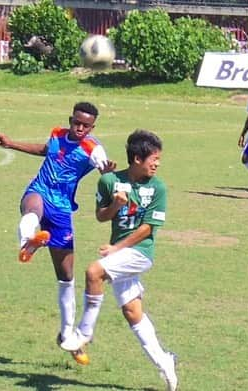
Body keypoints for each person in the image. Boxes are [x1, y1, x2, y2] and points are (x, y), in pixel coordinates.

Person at [0, 102, 115, 366]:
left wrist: (106, 173)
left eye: (86, 125)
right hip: (40, 190)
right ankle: (28, 240)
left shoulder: (93, 149)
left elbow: (104, 169)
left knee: (66, 278)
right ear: (71, 119)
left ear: (93, 127)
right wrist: (12, 143)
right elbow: (44, 150)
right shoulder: (58, 134)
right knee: (31, 208)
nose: (80, 128)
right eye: (77, 122)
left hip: (62, 210)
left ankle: (68, 335)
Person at [60, 130, 178, 391]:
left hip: (140, 252)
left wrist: (116, 248)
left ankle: (83, 334)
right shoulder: (109, 181)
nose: (157, 164)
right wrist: (115, 205)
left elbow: (148, 228)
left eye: (158, 159)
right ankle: (164, 361)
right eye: (154, 159)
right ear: (137, 158)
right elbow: (102, 216)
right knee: (132, 312)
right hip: (121, 253)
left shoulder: (157, 187)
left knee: (94, 272)